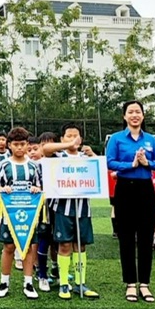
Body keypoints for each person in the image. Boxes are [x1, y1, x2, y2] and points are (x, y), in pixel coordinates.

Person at [105, 100, 155, 303]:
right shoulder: (116, 139)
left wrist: (147, 162)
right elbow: (110, 162)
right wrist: (130, 164)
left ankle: (145, 284)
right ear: (124, 116)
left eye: (138, 112)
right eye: (130, 112)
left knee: (146, 237)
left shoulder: (150, 139)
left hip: (145, 190)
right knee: (127, 238)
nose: (134, 115)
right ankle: (131, 283)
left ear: (143, 115)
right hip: (124, 189)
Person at [40, 123, 100, 299]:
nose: (73, 139)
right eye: (69, 136)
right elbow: (45, 149)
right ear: (62, 139)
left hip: (83, 209)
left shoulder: (86, 156)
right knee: (64, 244)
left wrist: (93, 155)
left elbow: (99, 170)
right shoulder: (59, 155)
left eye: (76, 136)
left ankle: (80, 283)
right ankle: (64, 283)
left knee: (80, 246)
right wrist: (68, 145)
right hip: (62, 209)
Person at [0, 127, 43, 299]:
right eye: (16, 144)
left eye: (22, 144)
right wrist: (3, 189)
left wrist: (36, 189)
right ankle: (4, 281)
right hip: (9, 214)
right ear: (9, 145)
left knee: (27, 247)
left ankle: (28, 283)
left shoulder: (33, 166)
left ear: (27, 144)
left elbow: (39, 186)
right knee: (8, 247)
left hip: (29, 215)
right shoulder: (4, 165)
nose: (19, 147)